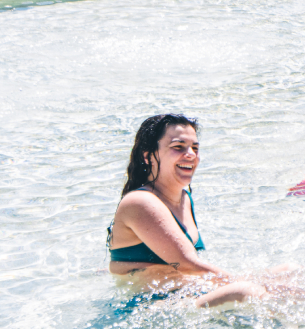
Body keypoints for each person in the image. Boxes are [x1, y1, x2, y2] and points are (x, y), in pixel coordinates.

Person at [106, 114, 269, 307]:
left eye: (195, 148)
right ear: (148, 156)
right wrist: (245, 281)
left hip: (186, 293)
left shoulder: (184, 199)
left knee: (289, 271)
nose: (191, 154)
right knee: (247, 291)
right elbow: (187, 264)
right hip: (149, 306)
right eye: (178, 147)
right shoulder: (140, 202)